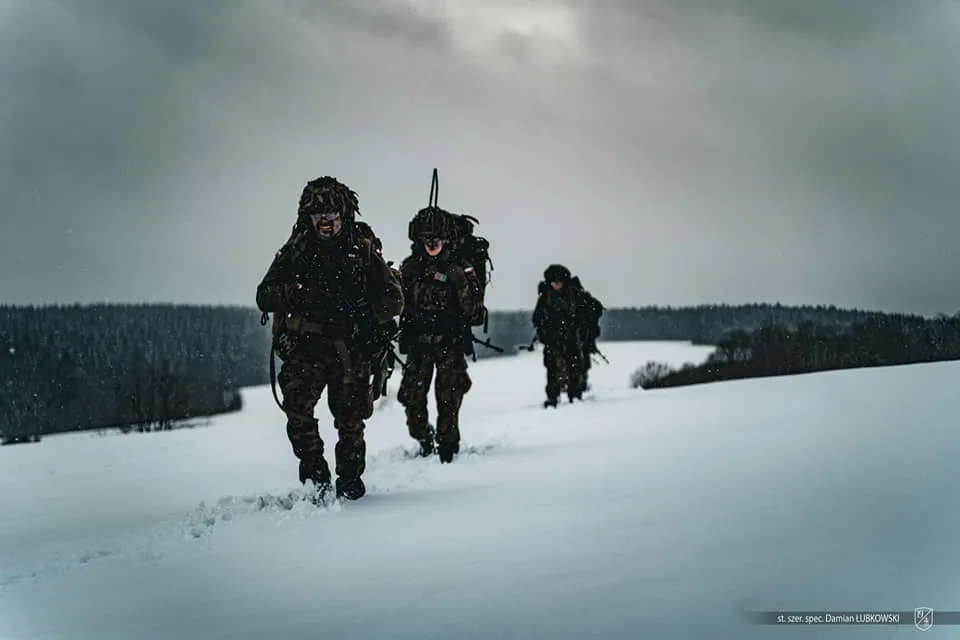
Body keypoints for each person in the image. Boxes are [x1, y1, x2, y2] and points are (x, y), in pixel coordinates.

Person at [255, 176, 404, 500]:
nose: (324, 223)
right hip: (306, 348)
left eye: (331, 216)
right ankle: (315, 476)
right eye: (317, 216)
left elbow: (395, 299)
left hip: (350, 348)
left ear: (343, 215)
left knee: (351, 421)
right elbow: (264, 294)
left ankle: (350, 481)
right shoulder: (297, 248)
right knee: (297, 412)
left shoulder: (361, 249)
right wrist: (298, 294)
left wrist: (367, 317)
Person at [396, 206, 483, 463]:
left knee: (449, 398)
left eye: (437, 238)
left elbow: (474, 311)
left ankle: (447, 448)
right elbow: (395, 302)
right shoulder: (410, 268)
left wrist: (454, 315)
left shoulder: (458, 270)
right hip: (418, 345)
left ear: (447, 239)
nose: (432, 243)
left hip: (449, 344)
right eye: (427, 238)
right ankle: (424, 438)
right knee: (412, 398)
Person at [532, 264, 604, 408]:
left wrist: (583, 326)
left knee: (575, 367)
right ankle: (553, 397)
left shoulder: (575, 294)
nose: (556, 285)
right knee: (552, 368)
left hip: (572, 337)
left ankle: (575, 395)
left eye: (558, 281)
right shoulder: (545, 297)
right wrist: (544, 331)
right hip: (553, 339)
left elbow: (595, 308)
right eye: (553, 282)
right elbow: (537, 318)